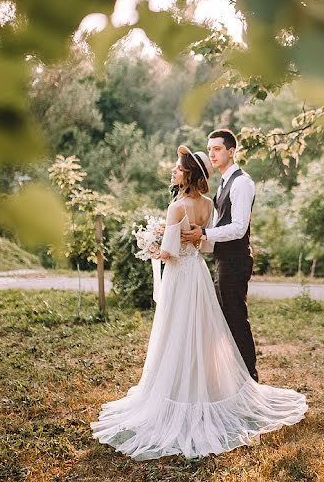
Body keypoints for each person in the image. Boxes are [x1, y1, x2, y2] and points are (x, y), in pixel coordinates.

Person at [91, 145, 306, 461]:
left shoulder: (177, 206)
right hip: (199, 275)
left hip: (179, 277)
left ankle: (178, 388)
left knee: (176, 331)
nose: (173, 172)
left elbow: (169, 253)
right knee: (202, 331)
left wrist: (151, 248)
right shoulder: (207, 205)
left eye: (177, 168)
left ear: (188, 174)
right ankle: (204, 384)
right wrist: (175, 242)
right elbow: (205, 243)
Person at [180, 129, 259, 382]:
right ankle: (235, 379)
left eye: (217, 149)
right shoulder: (224, 182)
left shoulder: (242, 183)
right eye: (210, 148)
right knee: (225, 321)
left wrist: (203, 233)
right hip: (223, 260)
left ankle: (250, 381)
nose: (212, 153)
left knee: (236, 320)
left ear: (231, 152)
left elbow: (238, 228)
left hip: (235, 261)